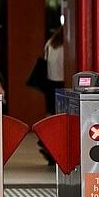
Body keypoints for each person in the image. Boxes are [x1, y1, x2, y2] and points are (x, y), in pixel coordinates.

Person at [38, 25, 64, 166]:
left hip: (50, 85)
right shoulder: (67, 45)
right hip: (63, 85)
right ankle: (51, 147)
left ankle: (46, 143)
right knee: (61, 121)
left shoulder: (50, 43)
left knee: (52, 118)